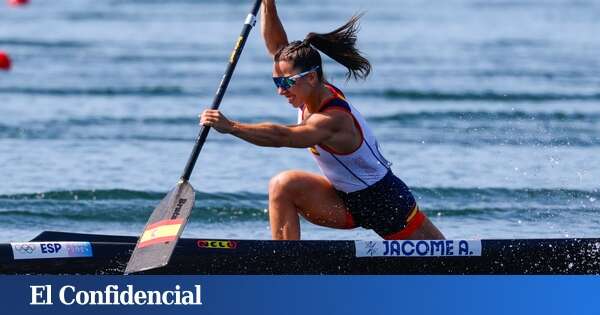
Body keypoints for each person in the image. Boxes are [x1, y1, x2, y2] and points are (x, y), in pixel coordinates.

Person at [200, 0, 444, 240]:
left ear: (312, 78)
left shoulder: (332, 119)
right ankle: (284, 266)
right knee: (283, 185)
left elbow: (284, 137)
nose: (280, 90)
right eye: (277, 82)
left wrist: (232, 127)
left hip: (385, 204)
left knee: (444, 264)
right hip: (343, 201)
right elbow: (278, 49)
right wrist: (268, 4)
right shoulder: (307, 87)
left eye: (286, 83)